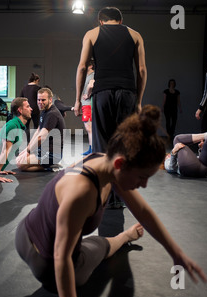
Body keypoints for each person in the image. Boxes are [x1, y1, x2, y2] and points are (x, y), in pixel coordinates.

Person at [15, 105, 207, 297]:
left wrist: (176, 253)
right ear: (120, 165)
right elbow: (61, 259)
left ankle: (123, 236)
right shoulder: (81, 193)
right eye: (142, 177)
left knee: (89, 244)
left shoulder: (103, 161)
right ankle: (124, 237)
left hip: (29, 232)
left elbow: (142, 211)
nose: (145, 185)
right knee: (95, 252)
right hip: (45, 262)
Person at [74, 6, 146, 208]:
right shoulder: (135, 35)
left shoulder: (92, 33)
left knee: (102, 146)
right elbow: (141, 70)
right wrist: (139, 101)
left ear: (101, 21)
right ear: (120, 21)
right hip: (127, 93)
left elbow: (81, 67)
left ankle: (105, 196)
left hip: (102, 92)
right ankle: (121, 197)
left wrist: (78, 100)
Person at [165, 99, 207, 178]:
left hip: (205, 169)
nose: (167, 155)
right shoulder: (167, 161)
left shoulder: (183, 157)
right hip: (190, 169)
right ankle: (206, 134)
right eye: (166, 156)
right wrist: (173, 152)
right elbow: (171, 169)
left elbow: (197, 160)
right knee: (177, 140)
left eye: (167, 155)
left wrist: (201, 150)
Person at [17, 87, 66, 172]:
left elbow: (41, 137)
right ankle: (49, 165)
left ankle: (51, 166)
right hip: (43, 150)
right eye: (38, 100)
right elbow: (38, 131)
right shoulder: (44, 111)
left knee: (21, 164)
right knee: (19, 159)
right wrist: (27, 148)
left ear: (50, 100)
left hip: (52, 154)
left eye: (43, 100)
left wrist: (28, 151)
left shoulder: (52, 114)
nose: (40, 102)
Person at [20, 73, 41, 140]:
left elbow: (21, 98)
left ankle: (28, 141)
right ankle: (34, 140)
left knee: (26, 126)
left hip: (26, 109)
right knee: (36, 126)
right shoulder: (38, 88)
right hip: (35, 109)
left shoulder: (24, 88)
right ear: (36, 80)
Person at [81, 60, 95, 155]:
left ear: (90, 66)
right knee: (89, 128)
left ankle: (92, 149)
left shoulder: (93, 75)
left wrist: (87, 94)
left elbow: (91, 85)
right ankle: (91, 148)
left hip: (88, 104)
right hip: (86, 104)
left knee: (89, 128)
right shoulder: (86, 76)